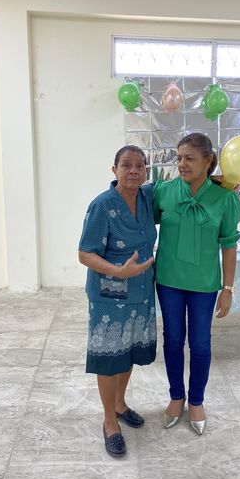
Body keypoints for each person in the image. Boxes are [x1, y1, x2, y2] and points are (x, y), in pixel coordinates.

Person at [153, 133, 240, 435]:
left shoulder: (225, 199)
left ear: (208, 161)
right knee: (173, 339)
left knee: (201, 343)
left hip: (204, 284)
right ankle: (176, 396)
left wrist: (227, 289)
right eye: (179, 158)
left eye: (189, 158)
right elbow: (136, 210)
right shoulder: (164, 191)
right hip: (169, 280)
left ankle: (197, 401)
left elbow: (229, 245)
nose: (181, 164)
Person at [78, 145, 157, 458]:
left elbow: (182, 184)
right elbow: (85, 253)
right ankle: (110, 421)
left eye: (140, 165)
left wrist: (221, 181)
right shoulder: (102, 205)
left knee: (128, 352)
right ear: (114, 170)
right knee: (110, 358)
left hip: (140, 292)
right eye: (126, 165)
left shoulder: (148, 198)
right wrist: (118, 270)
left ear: (146, 171)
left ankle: (120, 404)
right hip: (109, 297)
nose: (133, 170)